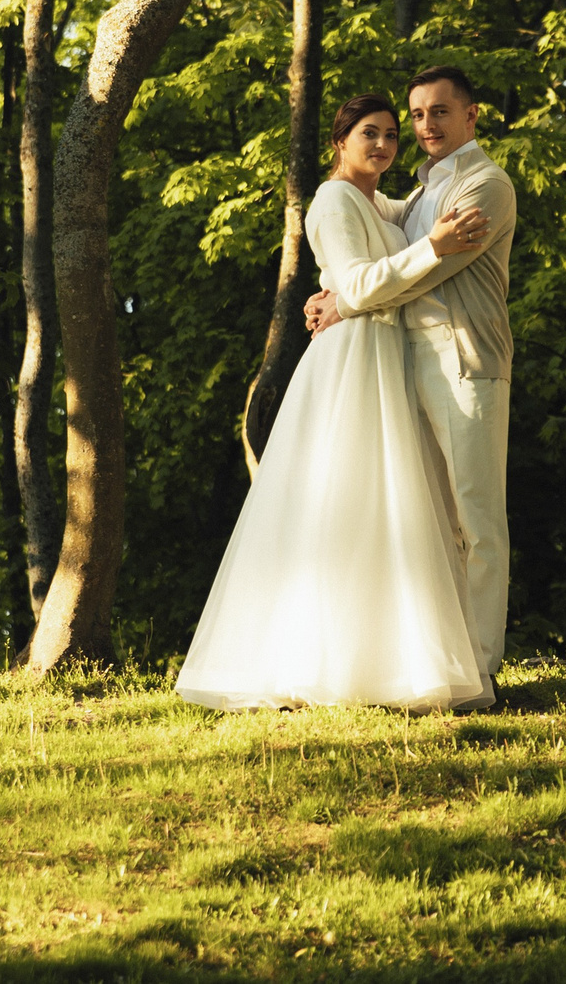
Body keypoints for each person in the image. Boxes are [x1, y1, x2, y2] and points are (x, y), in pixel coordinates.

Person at [174, 93, 493, 711]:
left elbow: (417, 219)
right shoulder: (333, 199)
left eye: (391, 136)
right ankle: (315, 661)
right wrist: (433, 249)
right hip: (352, 360)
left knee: (389, 506)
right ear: (339, 142)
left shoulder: (384, 204)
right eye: (369, 134)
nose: (383, 145)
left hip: (386, 356)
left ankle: (383, 664)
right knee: (340, 500)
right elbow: (356, 284)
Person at [305, 65, 519, 694]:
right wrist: (338, 286)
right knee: (430, 522)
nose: (425, 127)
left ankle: (481, 668)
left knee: (478, 522)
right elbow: (373, 238)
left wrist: (345, 303)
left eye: (439, 113)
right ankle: (438, 662)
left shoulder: (487, 185)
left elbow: (429, 271)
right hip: (402, 368)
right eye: (417, 117)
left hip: (465, 363)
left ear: (471, 115)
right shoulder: (420, 192)